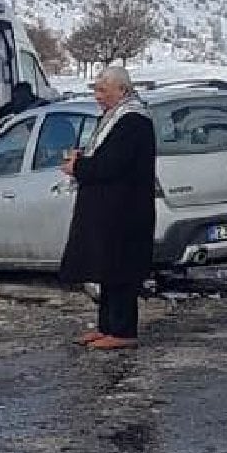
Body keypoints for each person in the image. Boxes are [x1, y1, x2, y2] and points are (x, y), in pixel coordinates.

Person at [60, 66, 157, 350]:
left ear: (122, 91)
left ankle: (123, 330)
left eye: (103, 91)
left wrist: (78, 166)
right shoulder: (112, 118)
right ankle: (106, 326)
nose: (98, 97)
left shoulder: (133, 121)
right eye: (96, 90)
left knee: (121, 269)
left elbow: (113, 165)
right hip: (109, 210)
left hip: (125, 210)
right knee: (107, 269)